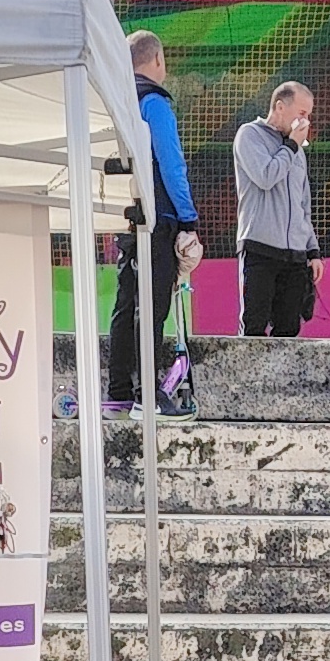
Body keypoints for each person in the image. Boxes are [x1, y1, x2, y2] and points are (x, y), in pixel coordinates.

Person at [108, 31, 197, 409]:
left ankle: (119, 391)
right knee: (153, 306)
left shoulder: (114, 99)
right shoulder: (154, 103)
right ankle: (148, 392)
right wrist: (188, 219)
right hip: (157, 218)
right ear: (157, 60)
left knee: (125, 304)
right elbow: (171, 163)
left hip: (123, 218)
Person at [232, 80, 321, 339]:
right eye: (301, 113)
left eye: (308, 115)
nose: (305, 121)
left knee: (289, 330)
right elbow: (266, 176)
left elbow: (303, 205)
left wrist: (312, 250)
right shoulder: (249, 135)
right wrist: (291, 146)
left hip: (295, 255)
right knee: (254, 327)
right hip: (260, 248)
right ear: (280, 107)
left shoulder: (297, 151)